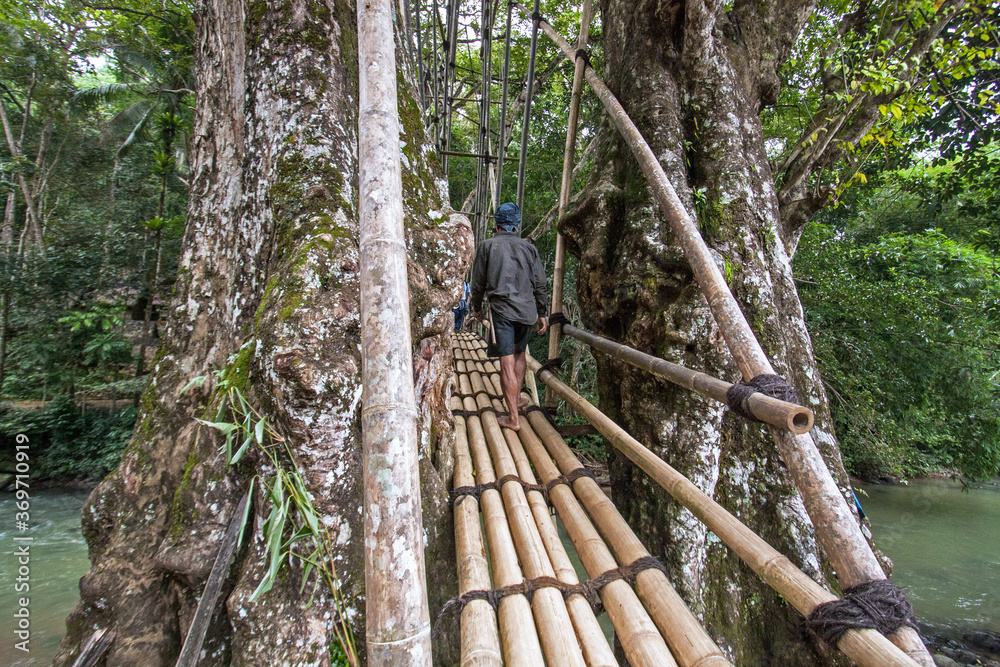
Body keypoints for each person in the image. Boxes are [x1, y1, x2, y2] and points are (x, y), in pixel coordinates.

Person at [470, 202, 548, 431]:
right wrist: (542, 313)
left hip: (502, 310)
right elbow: (540, 284)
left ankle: (513, 418)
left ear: (496, 224)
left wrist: (476, 307)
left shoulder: (487, 246)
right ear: (517, 225)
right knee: (519, 353)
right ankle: (517, 398)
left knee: (506, 362)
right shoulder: (529, 249)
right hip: (527, 311)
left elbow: (478, 282)